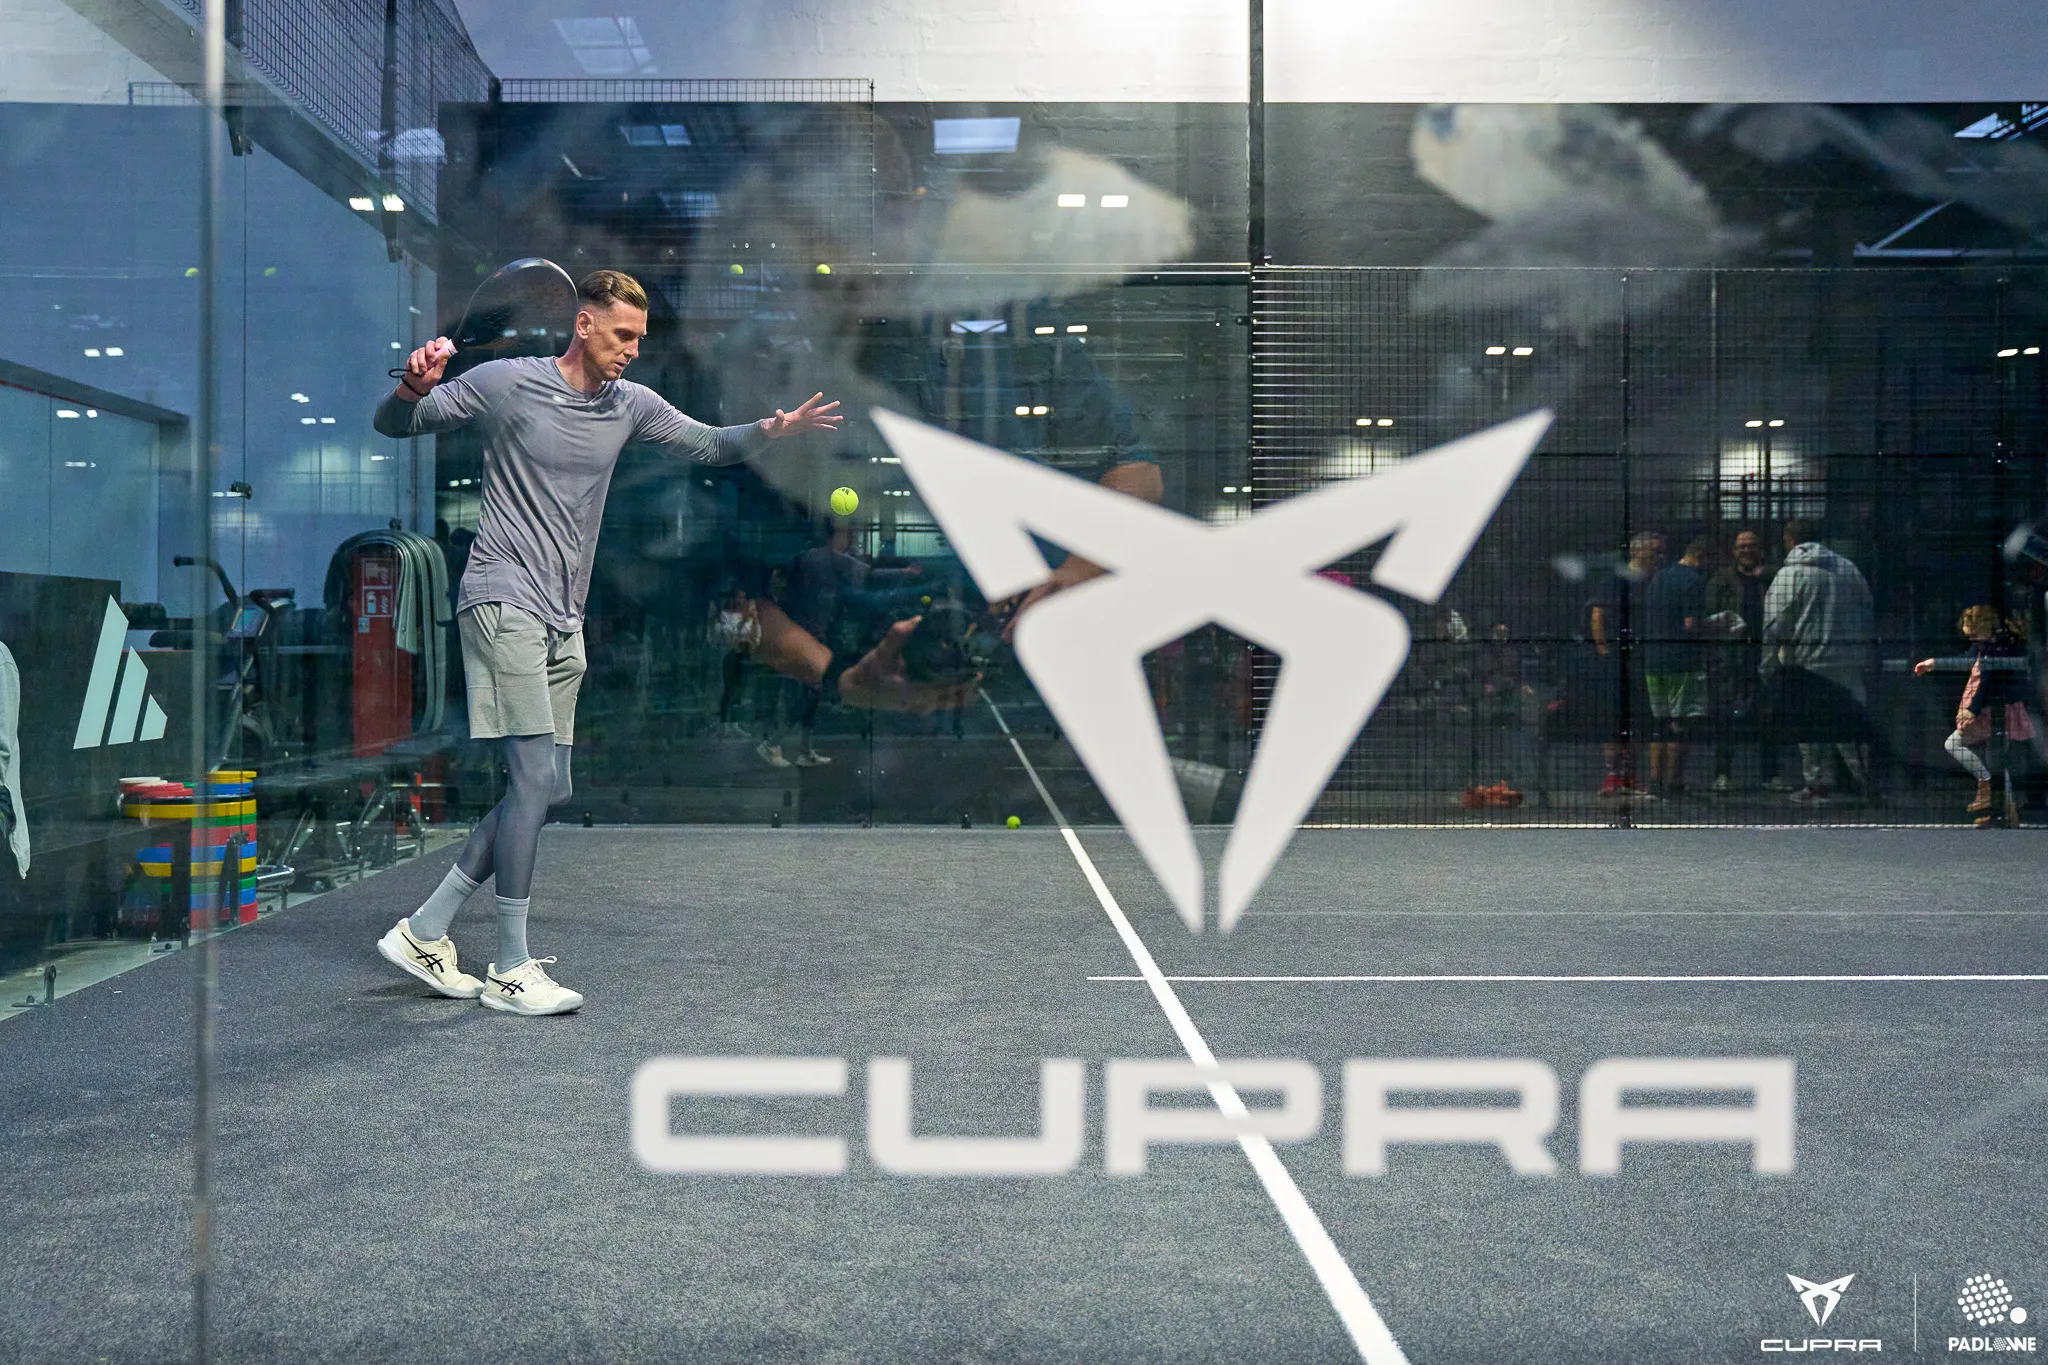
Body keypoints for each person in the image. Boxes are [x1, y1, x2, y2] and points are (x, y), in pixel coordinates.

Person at [368, 268, 844, 1016]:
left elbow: (712, 444)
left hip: (563, 614)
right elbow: (397, 427)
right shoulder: (503, 382)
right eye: (622, 334)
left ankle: (426, 928)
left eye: (640, 339)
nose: (631, 350)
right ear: (583, 324)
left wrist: (770, 431)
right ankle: (511, 966)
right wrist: (413, 388)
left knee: (550, 786)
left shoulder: (631, 405)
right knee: (529, 780)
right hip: (502, 599)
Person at [1761, 519, 1874, 805]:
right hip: (1848, 659)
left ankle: (1816, 784)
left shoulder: (1789, 575)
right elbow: (1866, 609)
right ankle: (1867, 783)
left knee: (1810, 728)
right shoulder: (1848, 569)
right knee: (1851, 726)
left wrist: (1768, 664)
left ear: (1789, 540)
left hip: (1806, 663)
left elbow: (1776, 624)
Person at [1914, 606, 2035, 826]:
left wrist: (1973, 709)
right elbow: (1967, 661)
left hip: (1996, 709)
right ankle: (2003, 805)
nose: (1970, 638)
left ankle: (1991, 790)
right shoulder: (1986, 646)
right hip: (1993, 709)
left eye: (1973, 633)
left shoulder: (1997, 648)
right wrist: (1935, 663)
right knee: (1994, 758)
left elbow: (1986, 681)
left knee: (1968, 748)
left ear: (1984, 627)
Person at [1588, 532, 1663, 797]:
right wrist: (1605, 651)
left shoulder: (1654, 582)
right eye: (1654, 552)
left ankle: (1630, 775)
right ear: (1637, 552)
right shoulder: (1615, 580)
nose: (1659, 557)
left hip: (1644, 660)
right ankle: (1612, 775)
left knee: (1640, 717)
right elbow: (1597, 615)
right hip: (1617, 662)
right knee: (1614, 717)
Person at [1705, 528, 1779, 792]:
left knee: (1768, 716)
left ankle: (1770, 774)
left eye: (1751, 545)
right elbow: (1709, 613)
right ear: (1734, 551)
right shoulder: (1722, 578)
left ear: (1760, 550)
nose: (1746, 550)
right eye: (1741, 546)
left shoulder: (1773, 577)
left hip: (1766, 655)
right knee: (1725, 718)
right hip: (1731, 657)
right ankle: (1723, 773)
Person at [1642, 536, 1711, 798]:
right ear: (1702, 556)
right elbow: (1691, 624)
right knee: (1679, 723)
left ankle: (1655, 783)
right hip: (1681, 662)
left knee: (1659, 723)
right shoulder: (1694, 581)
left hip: (1654, 660)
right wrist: (1716, 625)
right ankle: (1674, 784)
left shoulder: (1659, 578)